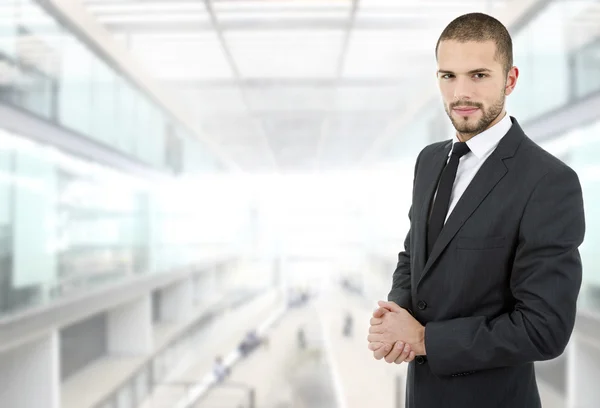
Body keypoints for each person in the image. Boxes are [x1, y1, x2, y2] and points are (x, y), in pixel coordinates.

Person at [366, 12, 585, 408]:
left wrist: (424, 339)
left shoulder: (549, 182)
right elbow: (413, 256)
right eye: (448, 76)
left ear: (511, 80)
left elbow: (544, 329)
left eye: (479, 75)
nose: (460, 92)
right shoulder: (429, 161)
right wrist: (394, 317)